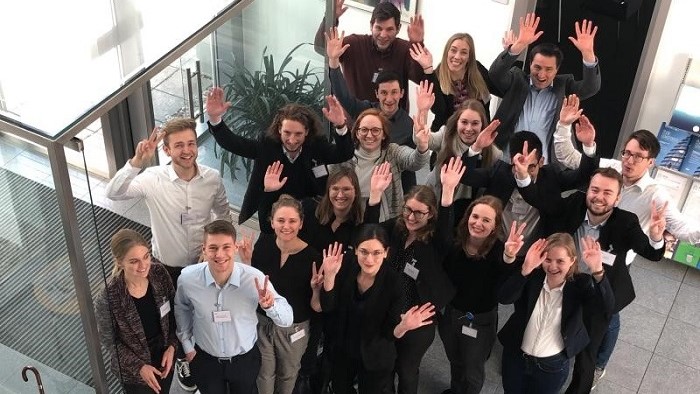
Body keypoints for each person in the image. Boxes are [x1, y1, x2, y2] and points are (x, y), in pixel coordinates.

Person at [104, 117, 231, 391]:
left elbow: (223, 214)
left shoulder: (212, 179)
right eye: (179, 145)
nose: (187, 151)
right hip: (165, 267)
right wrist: (136, 162)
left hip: (202, 265)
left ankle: (197, 353)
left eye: (191, 143)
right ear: (167, 150)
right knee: (171, 317)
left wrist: (219, 249)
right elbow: (113, 193)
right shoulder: (152, 179)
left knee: (203, 312)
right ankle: (182, 357)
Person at [515, 167, 667, 393]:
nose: (599, 196)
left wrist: (656, 237)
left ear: (617, 198)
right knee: (548, 326)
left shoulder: (626, 221)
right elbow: (541, 200)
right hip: (565, 283)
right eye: (595, 189)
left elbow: (652, 253)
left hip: (598, 289)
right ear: (587, 190)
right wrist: (523, 176)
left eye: (607, 192)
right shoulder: (574, 204)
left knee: (587, 354)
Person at [364, 157, 463, 394]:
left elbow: (447, 232)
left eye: (419, 213)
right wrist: (375, 195)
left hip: (418, 315)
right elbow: (369, 231)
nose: (411, 217)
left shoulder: (435, 241)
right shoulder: (397, 229)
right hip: (388, 307)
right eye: (408, 209)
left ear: (431, 215)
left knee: (407, 370)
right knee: (386, 362)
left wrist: (448, 191)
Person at [174, 220, 293, 393]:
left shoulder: (255, 279)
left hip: (244, 361)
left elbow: (287, 319)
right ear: (204, 249)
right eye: (213, 247)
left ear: (235, 248)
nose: (220, 254)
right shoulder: (187, 278)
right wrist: (187, 346)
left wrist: (271, 306)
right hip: (205, 360)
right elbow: (182, 307)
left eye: (226, 247)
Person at [205, 87, 354, 224]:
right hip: (273, 212)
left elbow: (343, 153)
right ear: (279, 130)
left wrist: (340, 125)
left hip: (311, 211)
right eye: (287, 133)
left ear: (307, 132)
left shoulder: (316, 145)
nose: (292, 140)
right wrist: (215, 120)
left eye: (298, 134)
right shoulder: (267, 146)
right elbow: (234, 143)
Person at [319, 226, 436, 394]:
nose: (369, 259)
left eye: (376, 253)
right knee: (340, 388)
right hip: (344, 348)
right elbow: (328, 307)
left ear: (386, 252)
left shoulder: (394, 282)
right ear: (356, 250)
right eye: (364, 251)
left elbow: (389, 333)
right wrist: (329, 277)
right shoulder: (345, 267)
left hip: (375, 355)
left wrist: (404, 326)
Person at [498, 233, 614, 394]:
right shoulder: (532, 276)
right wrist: (525, 269)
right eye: (548, 259)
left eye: (560, 261)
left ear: (572, 260)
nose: (553, 266)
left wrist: (598, 271)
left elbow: (606, 309)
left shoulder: (581, 284)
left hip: (552, 364)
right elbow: (504, 298)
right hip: (517, 357)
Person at [459, 126, 598, 256]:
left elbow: (583, 177)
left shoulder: (552, 177)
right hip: (495, 252)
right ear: (511, 161)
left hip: (535, 254)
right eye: (518, 165)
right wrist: (477, 147)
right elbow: (464, 175)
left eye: (531, 167)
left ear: (542, 161)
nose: (524, 171)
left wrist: (588, 146)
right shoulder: (499, 173)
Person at [325, 27, 429, 192]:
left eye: (394, 92)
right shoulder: (364, 110)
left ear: (402, 93)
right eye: (384, 93)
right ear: (376, 94)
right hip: (359, 179)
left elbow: (411, 164)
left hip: (389, 185)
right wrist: (333, 62)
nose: (389, 99)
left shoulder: (408, 124)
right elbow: (343, 95)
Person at [439, 196, 524, 394]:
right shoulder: (456, 243)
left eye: (486, 220)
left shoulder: (499, 251)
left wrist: (510, 256)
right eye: (475, 216)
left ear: (495, 226)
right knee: (454, 359)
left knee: (473, 370)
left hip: (479, 321)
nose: (478, 223)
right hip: (451, 314)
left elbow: (506, 283)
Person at [489, 13, 601, 162]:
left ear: (557, 70)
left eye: (548, 69)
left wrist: (588, 54)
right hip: (506, 159)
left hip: (543, 165)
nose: (541, 74)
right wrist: (520, 44)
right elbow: (495, 74)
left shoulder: (564, 87)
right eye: (537, 67)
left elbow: (591, 87)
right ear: (530, 65)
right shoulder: (517, 80)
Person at [251, 195, 322, 394]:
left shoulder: (313, 257)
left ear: (301, 223)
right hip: (263, 323)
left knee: (288, 374)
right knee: (263, 374)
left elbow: (317, 306)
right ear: (272, 222)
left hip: (294, 329)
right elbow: (256, 284)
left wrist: (316, 288)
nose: (286, 226)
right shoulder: (264, 244)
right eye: (281, 220)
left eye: (292, 221)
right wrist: (247, 262)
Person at [95, 229, 177, 394]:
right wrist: (139, 367)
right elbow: (109, 342)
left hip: (164, 359)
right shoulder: (108, 297)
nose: (143, 266)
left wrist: (172, 347)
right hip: (134, 373)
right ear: (120, 262)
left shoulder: (159, 273)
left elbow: (175, 314)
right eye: (134, 261)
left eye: (146, 256)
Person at [313, 0, 426, 110]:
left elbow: (420, 78)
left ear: (398, 29)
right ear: (371, 26)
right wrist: (331, 18)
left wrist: (417, 44)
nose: (383, 35)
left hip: (394, 124)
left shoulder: (404, 49)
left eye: (389, 29)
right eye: (379, 28)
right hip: (356, 122)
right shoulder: (354, 44)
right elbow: (321, 48)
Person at [420, 98, 502, 221]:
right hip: (435, 199)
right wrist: (423, 112)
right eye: (464, 122)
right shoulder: (446, 135)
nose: (468, 128)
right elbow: (423, 140)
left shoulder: (495, 154)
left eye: (475, 123)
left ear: (483, 125)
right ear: (457, 122)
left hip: (468, 211)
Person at [345, 108, 430, 220]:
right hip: (351, 219)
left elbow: (415, 162)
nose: (369, 135)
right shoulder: (345, 156)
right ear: (357, 133)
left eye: (375, 130)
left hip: (386, 222)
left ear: (384, 134)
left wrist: (422, 145)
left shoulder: (392, 152)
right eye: (364, 130)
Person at [411, 33, 499, 130]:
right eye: (453, 50)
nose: (457, 56)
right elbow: (439, 111)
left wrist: (510, 54)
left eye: (464, 52)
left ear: (470, 57)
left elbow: (498, 89)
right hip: (446, 135)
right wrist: (428, 69)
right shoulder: (435, 75)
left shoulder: (478, 71)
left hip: (477, 135)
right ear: (447, 52)